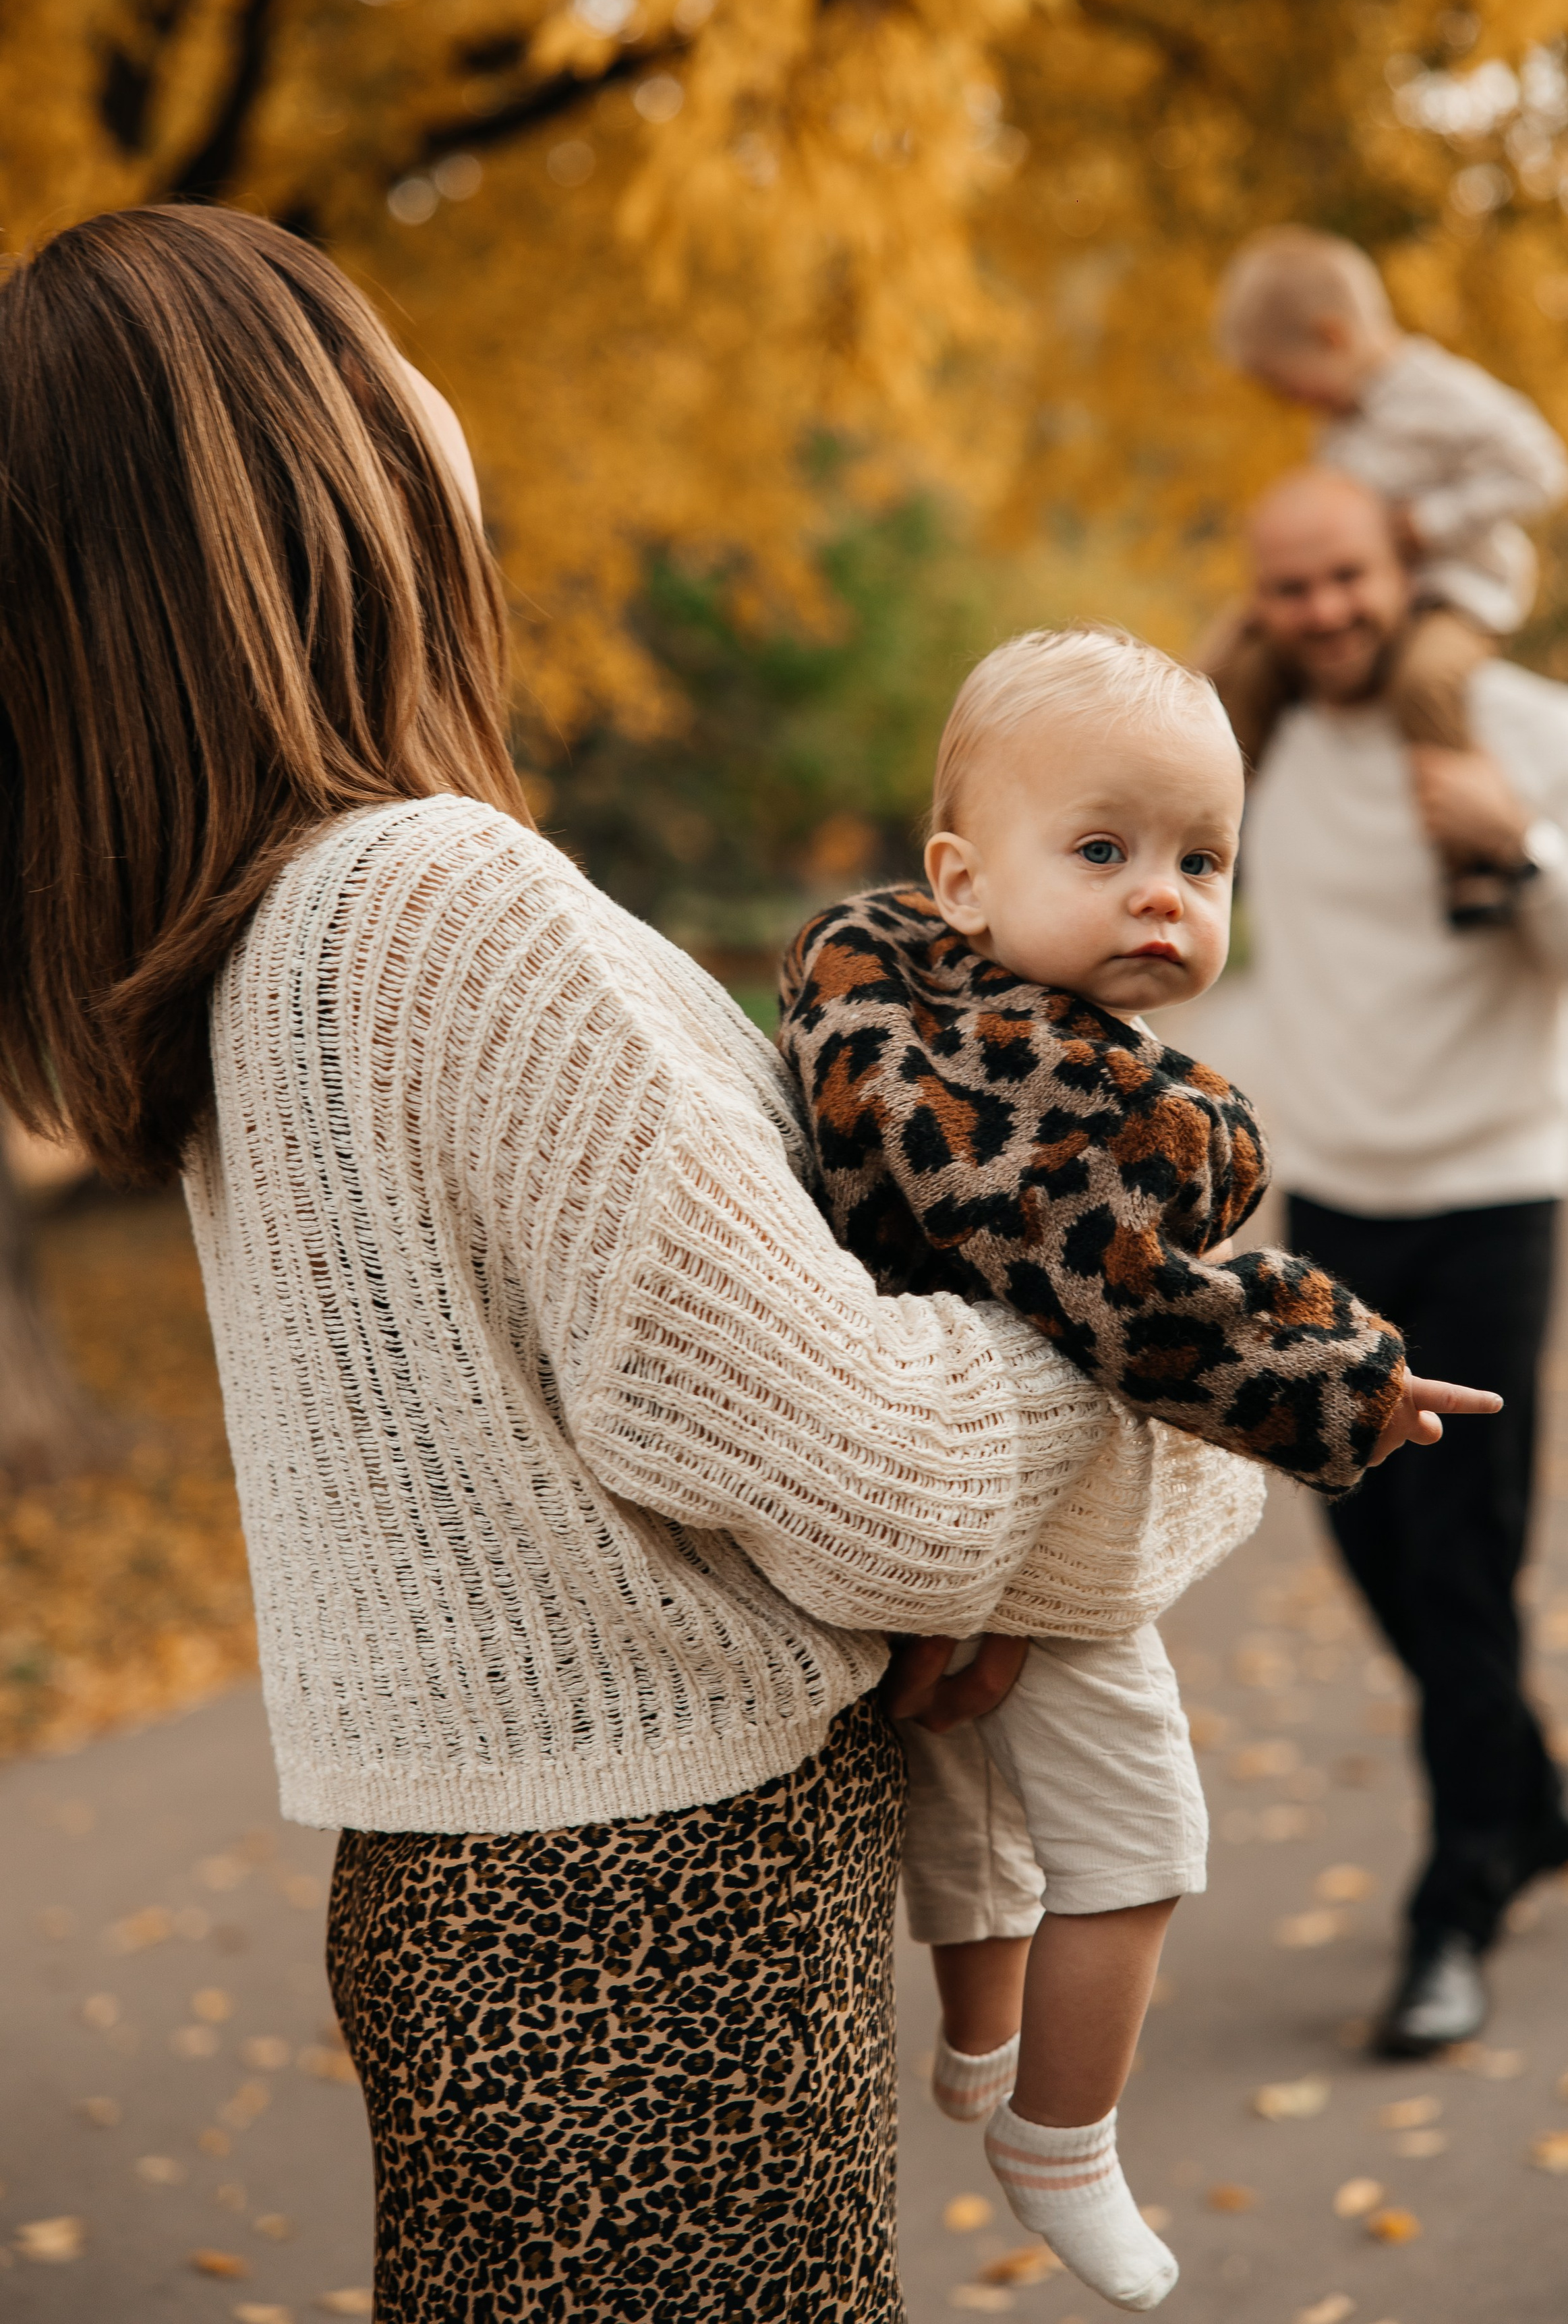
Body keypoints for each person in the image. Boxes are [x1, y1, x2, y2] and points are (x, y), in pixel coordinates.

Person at [0, 204, 1277, 2324]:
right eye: (377, 347)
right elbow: (878, 1477)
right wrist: (1198, 1361)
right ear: (315, 458)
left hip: (503, 1907)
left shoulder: (274, 936)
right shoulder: (436, 899)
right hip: (653, 1930)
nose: (434, 391)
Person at [776, 625, 1498, 2305]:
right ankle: (1061, 2135)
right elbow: (1142, 1308)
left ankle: (977, 2043)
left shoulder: (884, 1010)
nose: (1160, 895)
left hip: (899, 1495)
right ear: (961, 878)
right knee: (1139, 1836)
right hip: (1023, 1521)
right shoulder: (1074, 1100)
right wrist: (1347, 1380)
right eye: (1100, 851)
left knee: (968, 1801)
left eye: (1200, 860)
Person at [1226, 465, 1568, 2056]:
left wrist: (1523, 844)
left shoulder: (1528, 726)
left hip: (1491, 1188)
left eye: (1345, 576)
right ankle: (1529, 1794)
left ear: (1405, 562)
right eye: (1289, 586)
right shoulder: (1255, 743)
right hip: (1333, 1201)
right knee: (1370, 1543)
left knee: (1461, 1557)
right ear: (1257, 599)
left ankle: (1455, 1896)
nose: (1322, 611)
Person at [1211, 225, 1568, 927]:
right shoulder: (1342, 423)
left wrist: (1433, 522)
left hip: (1456, 595)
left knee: (1425, 681)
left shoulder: (1445, 395)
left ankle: (1473, 863)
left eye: (1286, 384)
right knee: (1244, 671)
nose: (1290, 403)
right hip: (1374, 598)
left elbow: (1543, 470)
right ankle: (1223, 824)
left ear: (1331, 336)